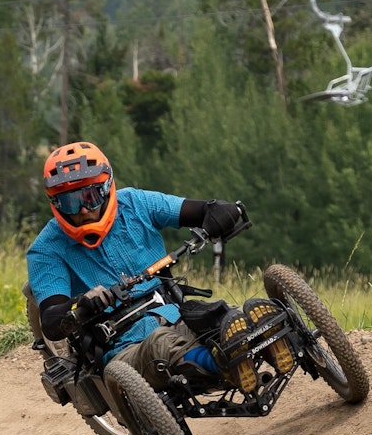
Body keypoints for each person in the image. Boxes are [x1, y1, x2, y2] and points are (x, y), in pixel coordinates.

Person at [26, 141, 292, 394]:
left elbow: (197, 209)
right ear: (56, 203)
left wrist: (220, 212)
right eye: (71, 202)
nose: (83, 209)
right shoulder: (46, 250)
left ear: (107, 187)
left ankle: (272, 347)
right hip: (122, 348)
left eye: (91, 197)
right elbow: (50, 320)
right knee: (160, 345)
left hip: (177, 315)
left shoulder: (135, 202)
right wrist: (81, 305)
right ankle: (226, 365)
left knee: (222, 317)